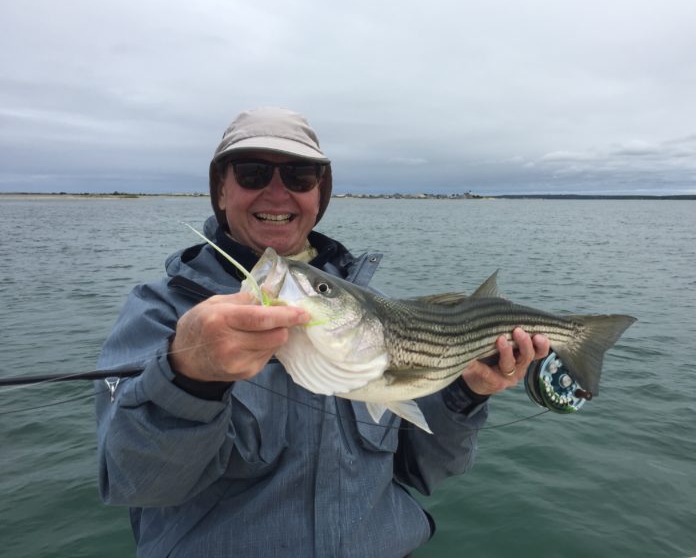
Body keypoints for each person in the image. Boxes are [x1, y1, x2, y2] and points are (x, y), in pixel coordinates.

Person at [95, 107, 550, 557]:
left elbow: (422, 470)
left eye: (299, 176)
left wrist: (465, 394)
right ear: (220, 190)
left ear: (319, 195)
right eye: (253, 173)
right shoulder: (159, 312)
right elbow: (135, 480)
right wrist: (189, 376)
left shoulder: (369, 314)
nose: (277, 194)